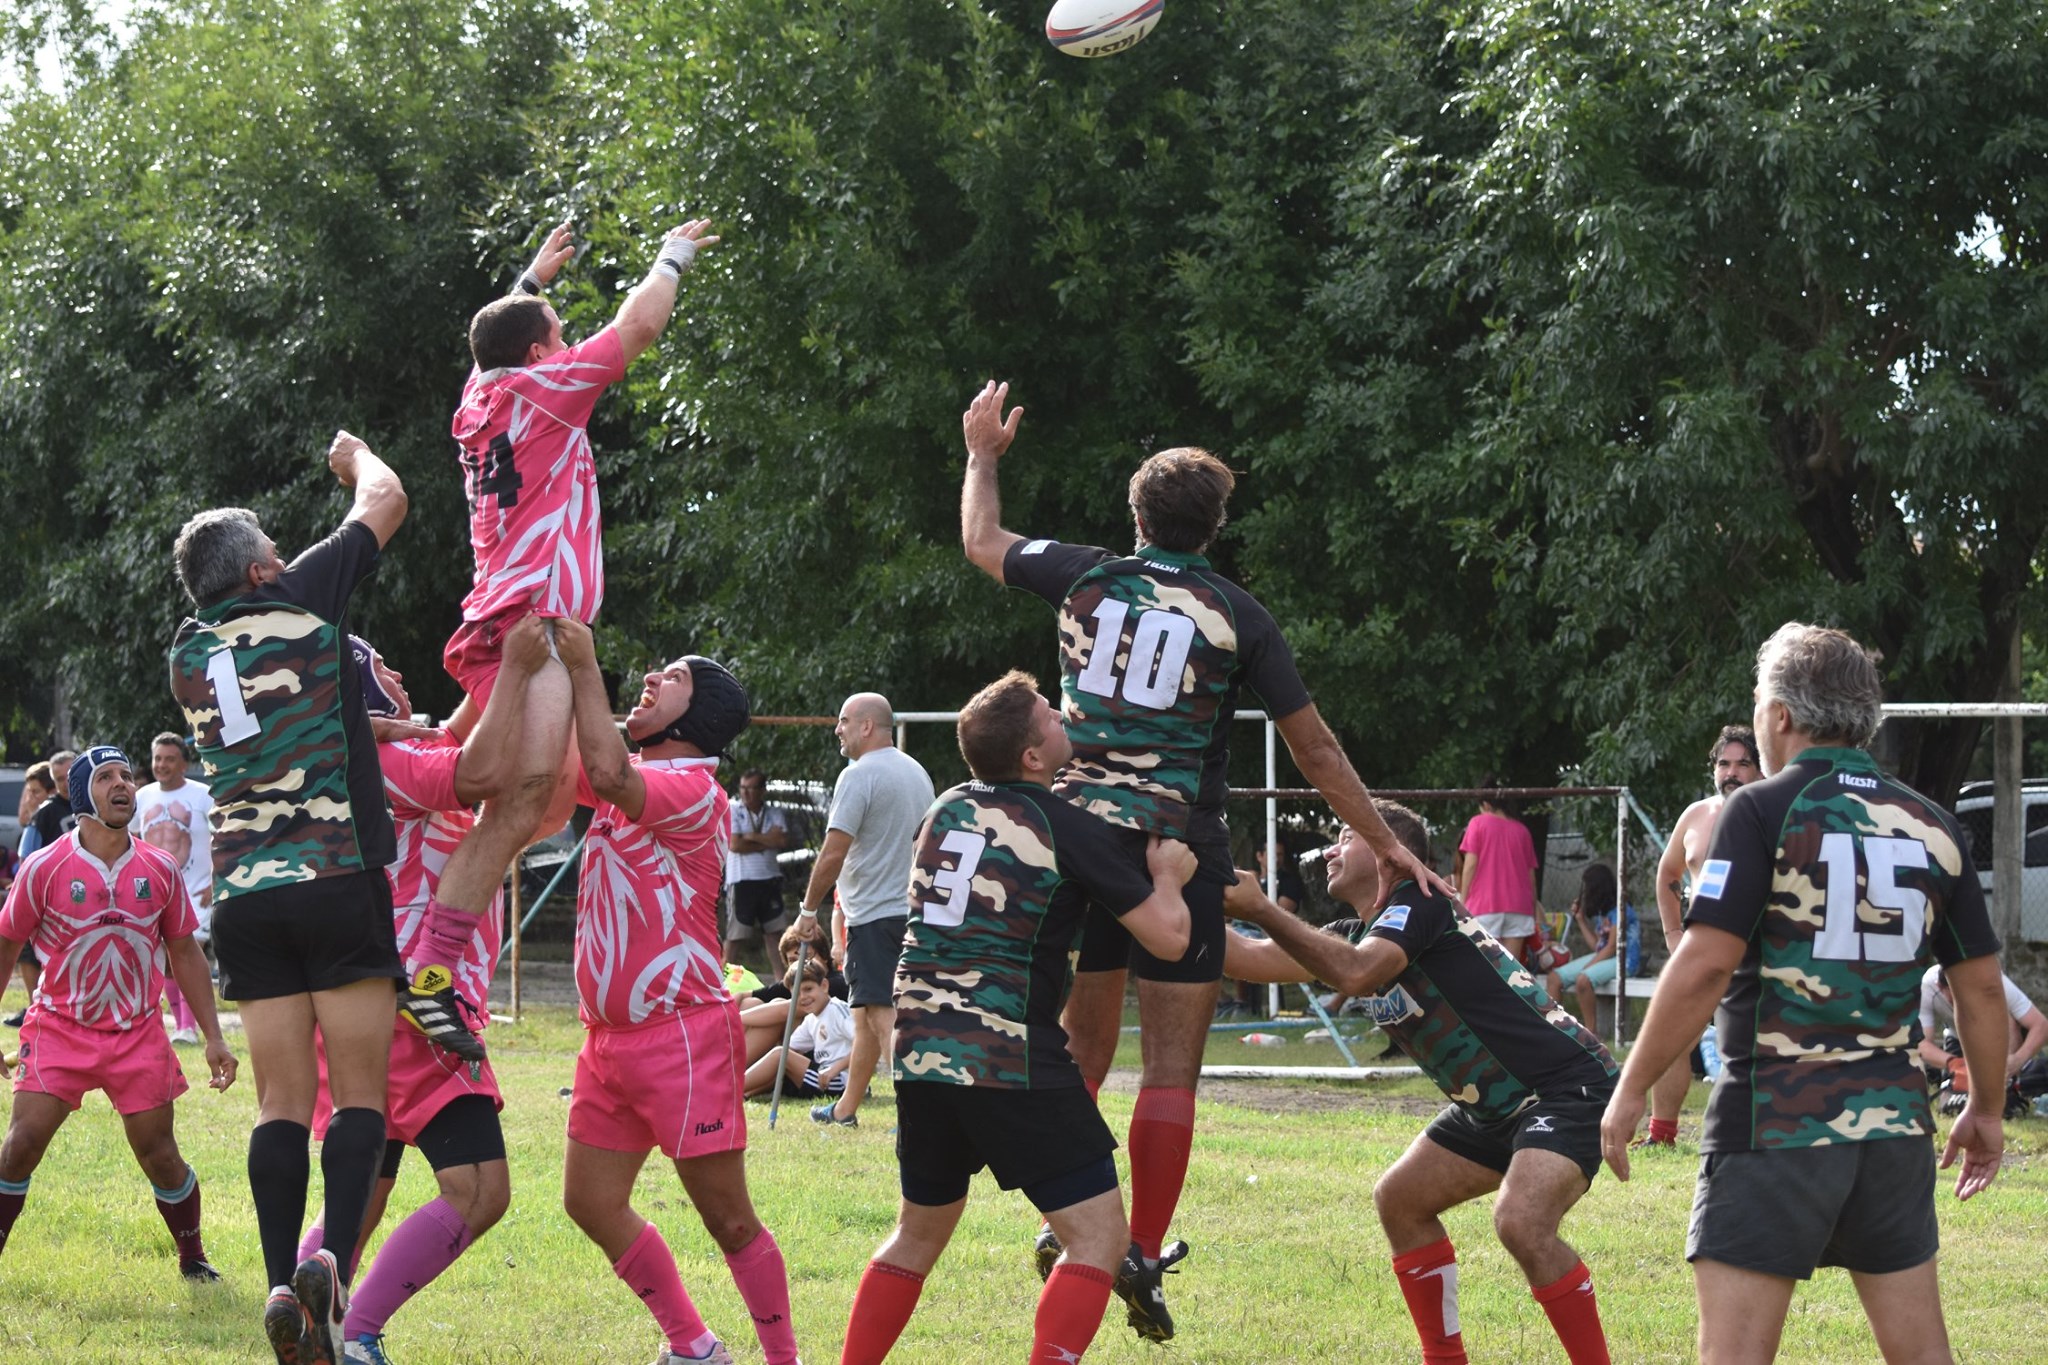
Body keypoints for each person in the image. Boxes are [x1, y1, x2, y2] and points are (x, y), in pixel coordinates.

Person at [957, 378, 1445, 1337]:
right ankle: (1136, 1243)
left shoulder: (1087, 575)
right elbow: (1316, 750)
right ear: (1215, 528)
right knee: (1173, 1064)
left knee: (1080, 1041)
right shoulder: (1238, 614)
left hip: (1079, 835)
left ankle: (1074, 1212)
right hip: (1179, 840)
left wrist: (981, 455)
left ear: (1136, 516)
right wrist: (1386, 841)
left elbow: (981, 541)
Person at [1600, 623, 2007, 1365]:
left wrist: (1630, 1093)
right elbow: (1978, 986)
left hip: (1774, 1125)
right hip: (1892, 1133)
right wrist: (1984, 1107)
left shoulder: (1757, 810)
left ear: (1780, 715)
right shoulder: (1934, 827)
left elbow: (1703, 966)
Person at [411, 217, 723, 1064]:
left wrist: (531, 281)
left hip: (500, 616)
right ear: (544, 353)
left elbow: (495, 343)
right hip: (533, 631)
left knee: (521, 794)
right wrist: (672, 253)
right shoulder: (547, 390)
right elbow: (640, 326)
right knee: (521, 800)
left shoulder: (479, 400)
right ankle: (430, 972)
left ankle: (411, 902)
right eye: (554, 336)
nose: (564, 347)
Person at [839, 671, 1196, 1363]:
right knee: (1097, 1237)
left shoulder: (945, 808)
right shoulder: (1062, 824)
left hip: (917, 1045)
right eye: (1055, 720)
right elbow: (1169, 938)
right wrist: (1169, 878)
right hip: (1004, 1050)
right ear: (1033, 757)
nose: (1069, 722)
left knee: (917, 1234)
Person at [168, 430, 408, 1365]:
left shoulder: (186, 652)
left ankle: (280, 1281)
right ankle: (331, 1270)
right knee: (357, 1098)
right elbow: (385, 500)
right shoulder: (299, 598)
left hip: (245, 895)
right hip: (337, 876)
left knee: (279, 1102)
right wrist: (356, 459)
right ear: (265, 565)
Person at [1224, 802, 1617, 1365]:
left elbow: (1361, 971)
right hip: (1492, 1110)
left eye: (1344, 836)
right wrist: (1170, 891)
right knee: (1400, 1201)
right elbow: (1246, 958)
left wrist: (1262, 907)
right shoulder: (1354, 932)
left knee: (1521, 1222)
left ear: (1389, 852)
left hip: (1564, 1087)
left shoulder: (1420, 901)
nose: (1331, 850)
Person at [293, 624, 547, 1365]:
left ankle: (299, 1314)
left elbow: (452, 734)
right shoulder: (383, 761)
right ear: (362, 694)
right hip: (414, 1003)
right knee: (478, 1189)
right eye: (383, 666)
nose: (401, 669)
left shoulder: (336, 762)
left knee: (362, 1198)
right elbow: (478, 769)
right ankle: (359, 1335)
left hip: (355, 1002)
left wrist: (494, 680)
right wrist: (525, 668)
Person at [554, 618, 799, 1365]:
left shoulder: (694, 789)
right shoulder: (632, 772)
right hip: (608, 1043)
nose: (653, 679)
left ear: (695, 717)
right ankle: (693, 1346)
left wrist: (585, 663)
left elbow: (607, 769)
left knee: (729, 1220)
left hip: (680, 1036)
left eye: (674, 678)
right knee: (590, 1201)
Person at [0, 748, 238, 1276]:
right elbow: (6, 942)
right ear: (84, 795)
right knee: (19, 1147)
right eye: (106, 777)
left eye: (127, 776)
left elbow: (185, 952)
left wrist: (214, 1036)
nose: (123, 784)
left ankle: (193, 1258)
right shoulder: (44, 867)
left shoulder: (160, 867)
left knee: (160, 1154)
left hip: (137, 1033)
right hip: (60, 1028)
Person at [792, 692, 934, 1127]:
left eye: (844, 720)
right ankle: (844, 1109)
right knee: (863, 1011)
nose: (838, 729)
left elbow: (834, 851)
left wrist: (808, 908)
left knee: (879, 1011)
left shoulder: (858, 775)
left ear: (867, 726)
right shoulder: (917, 772)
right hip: (914, 909)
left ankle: (919, 1113)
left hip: (874, 913)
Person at [1638, 725, 1761, 1150]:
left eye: (1743, 763)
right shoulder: (1696, 814)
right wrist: (1674, 933)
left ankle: (1764, 1134)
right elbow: (1668, 874)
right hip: (1698, 949)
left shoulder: (1778, 811)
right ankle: (1662, 1134)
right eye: (1724, 763)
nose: (1732, 772)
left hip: (1758, 953)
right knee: (1672, 1037)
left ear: (1761, 768)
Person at [134, 732, 215, 1044]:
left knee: (188, 953)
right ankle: (180, 1025)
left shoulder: (203, 795)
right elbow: (133, 842)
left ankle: (189, 1028)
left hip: (195, 890)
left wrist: (213, 881)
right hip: (155, 892)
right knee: (165, 960)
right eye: (157, 759)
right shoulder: (142, 797)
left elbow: (221, 839)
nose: (162, 765)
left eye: (169, 759)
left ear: (184, 763)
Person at [1917, 964, 2047, 1114]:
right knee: (1954, 1103)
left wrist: (2015, 1061)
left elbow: (2041, 1026)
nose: (1964, 1003)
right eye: (1956, 996)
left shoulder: (1993, 980)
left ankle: (2018, 1080)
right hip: (1959, 1039)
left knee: (2004, 1105)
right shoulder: (1926, 986)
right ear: (1940, 986)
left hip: (1998, 1037)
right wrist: (1954, 1063)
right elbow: (1921, 1044)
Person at [742, 953, 853, 1101]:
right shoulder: (811, 1019)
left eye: (808, 989)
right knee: (781, 1056)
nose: (803, 997)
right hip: (822, 1076)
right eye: (797, 993)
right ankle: (741, 1092)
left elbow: (865, 1045)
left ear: (824, 986)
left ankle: (727, 1089)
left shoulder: (838, 1010)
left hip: (840, 1081)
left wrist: (835, 1069)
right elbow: (791, 1049)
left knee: (780, 1054)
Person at [1545, 863, 1640, 1026]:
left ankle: (1591, 1034)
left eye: (1587, 887)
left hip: (1625, 960)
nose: (1584, 892)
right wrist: (1580, 920)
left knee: (1583, 980)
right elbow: (1598, 946)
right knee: (1554, 979)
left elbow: (1611, 948)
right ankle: (1556, 1029)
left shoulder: (1621, 910)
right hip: (1607, 957)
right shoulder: (1603, 912)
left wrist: (1587, 968)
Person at [1455, 791, 1540, 964]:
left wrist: (1463, 901)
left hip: (1485, 905)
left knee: (1483, 968)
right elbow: (1531, 876)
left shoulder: (1477, 822)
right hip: (1520, 908)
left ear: (1486, 804)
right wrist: (1533, 907)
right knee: (1510, 971)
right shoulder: (1522, 830)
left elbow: (1470, 865)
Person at [3, 761, 56, 1027]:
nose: (30, 797)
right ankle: (33, 1005)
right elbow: (24, 820)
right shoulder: (37, 814)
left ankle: (42, 1006)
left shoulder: (51, 813)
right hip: (32, 889)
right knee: (24, 950)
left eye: (35, 791)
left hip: (50, 892)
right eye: (29, 790)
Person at [725, 769, 792, 974]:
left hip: (769, 878)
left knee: (774, 933)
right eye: (743, 788)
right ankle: (722, 979)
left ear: (762, 790)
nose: (746, 793)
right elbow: (735, 845)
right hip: (742, 879)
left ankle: (781, 982)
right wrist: (766, 840)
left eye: (751, 788)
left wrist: (751, 835)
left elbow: (781, 840)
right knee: (736, 934)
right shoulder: (734, 809)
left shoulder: (773, 813)